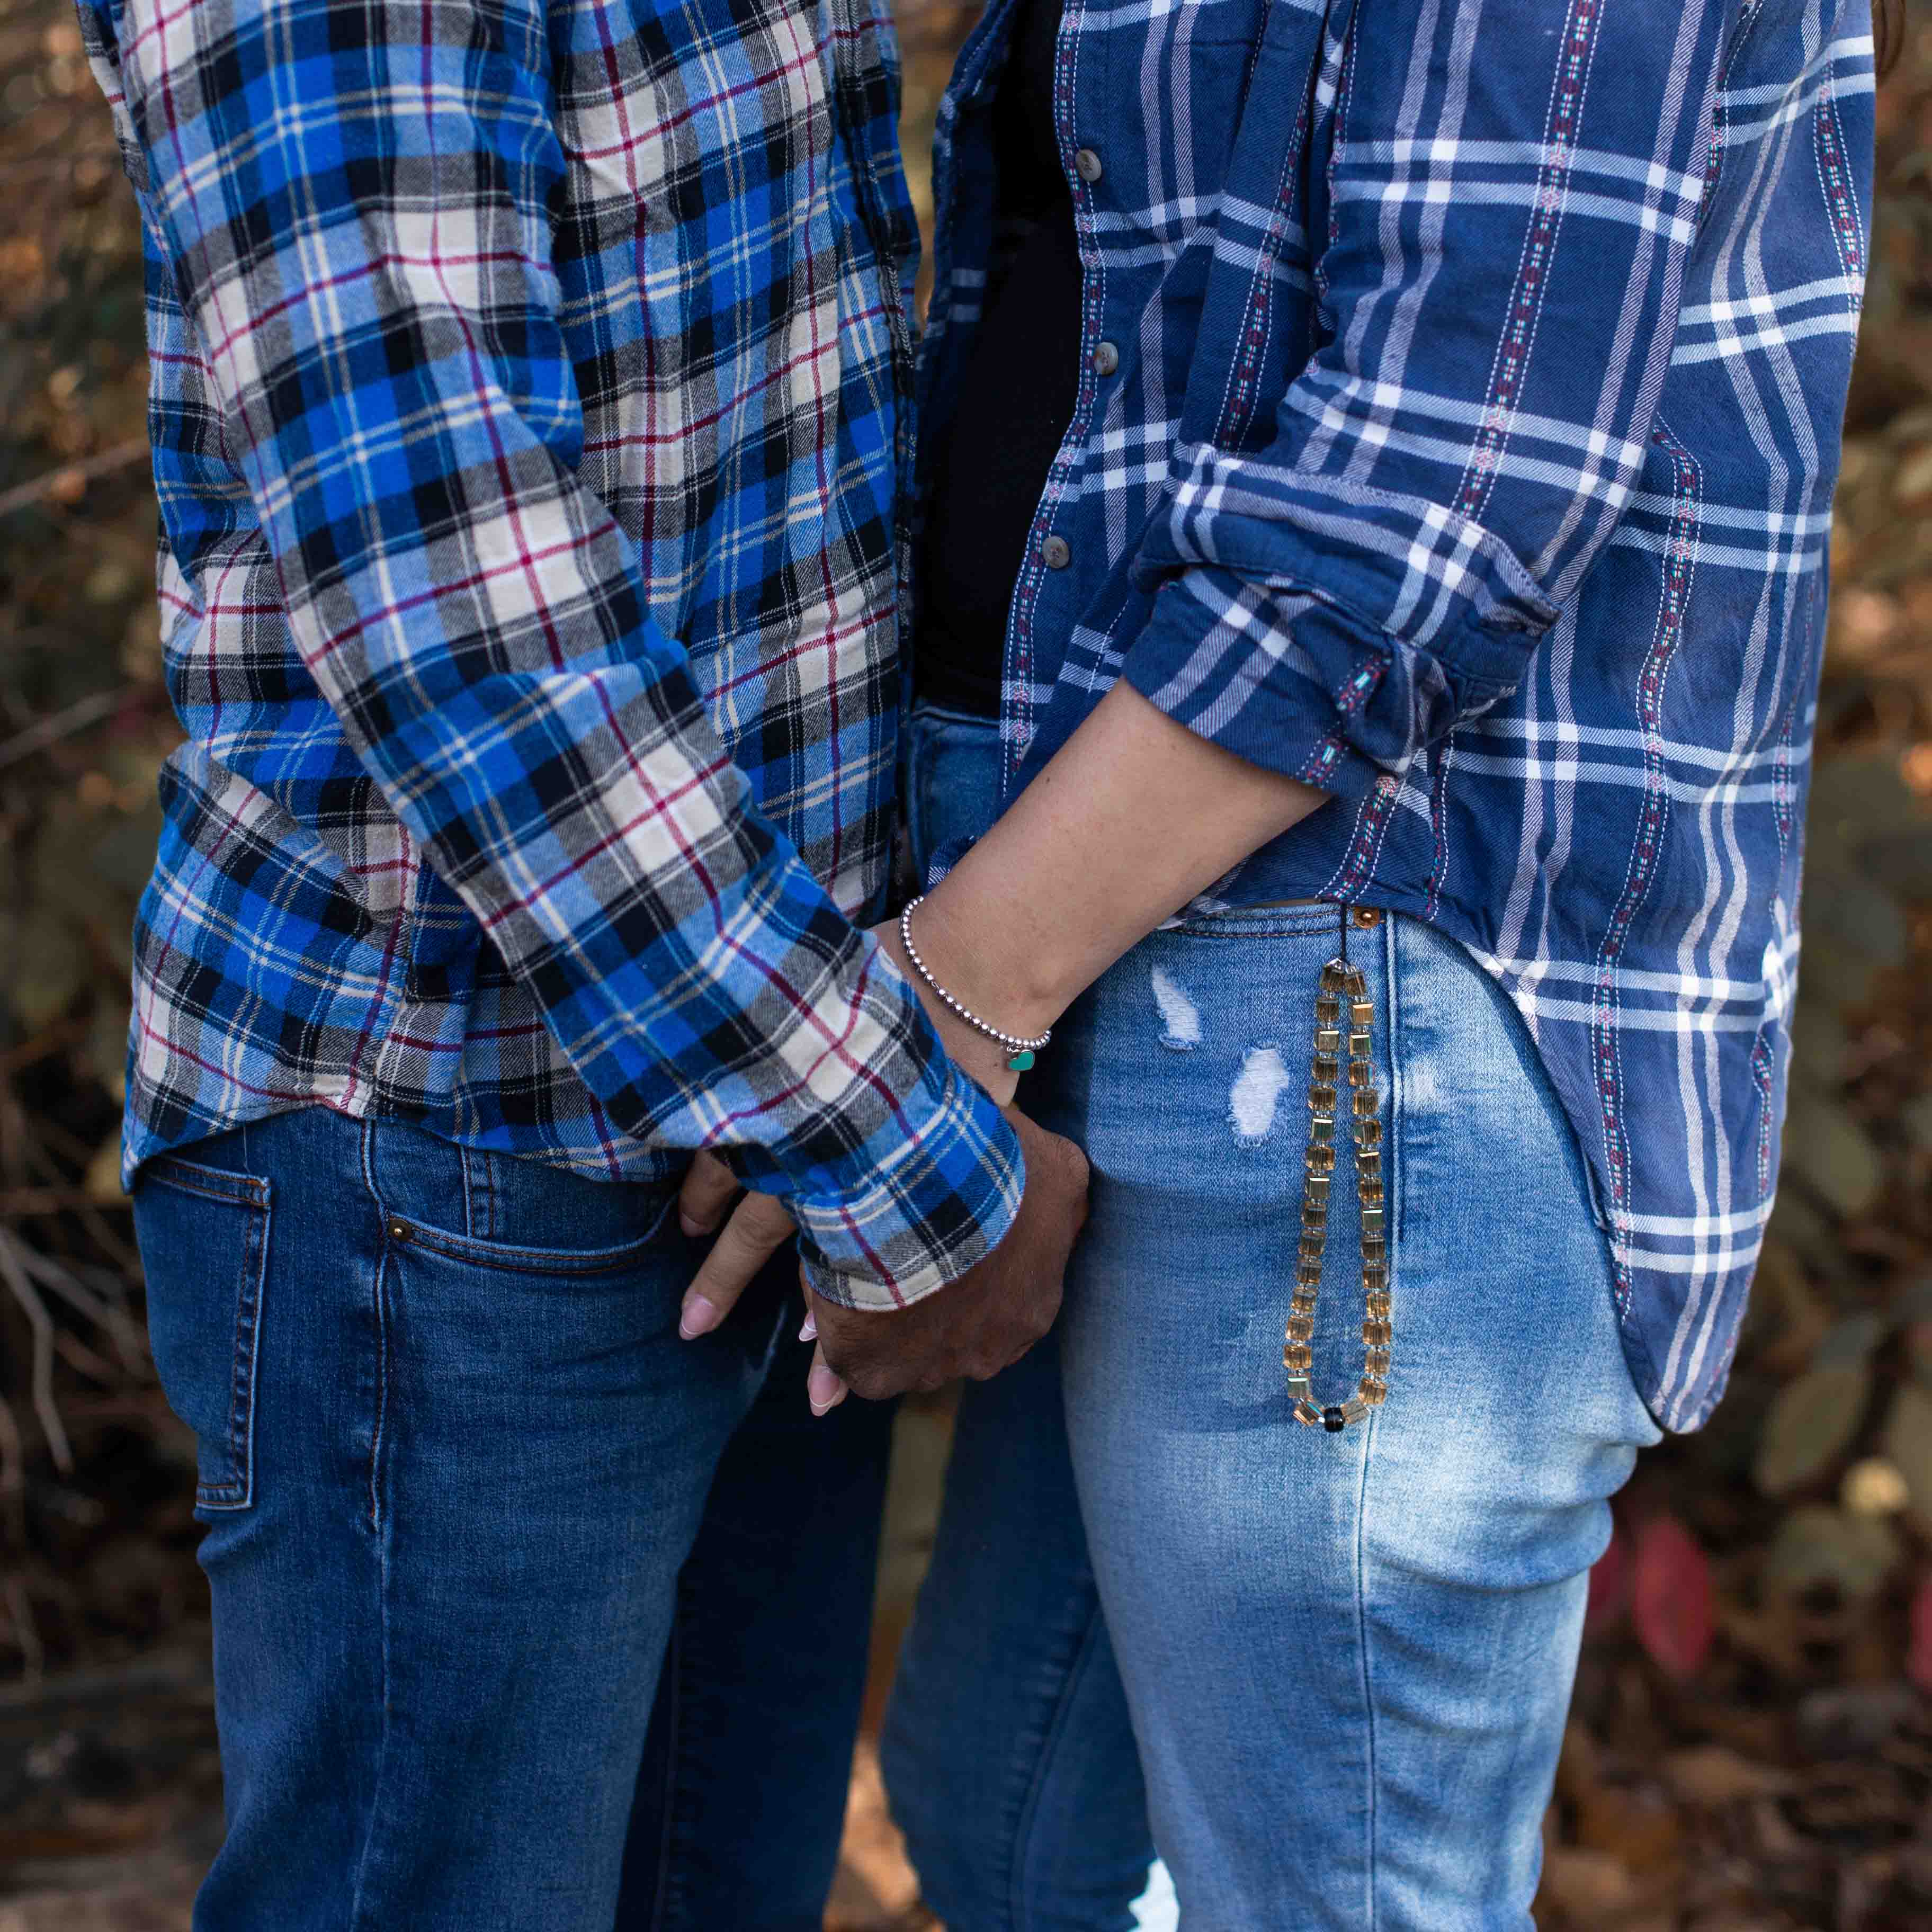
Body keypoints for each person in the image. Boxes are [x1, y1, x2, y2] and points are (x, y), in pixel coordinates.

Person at [701, 0, 1888, 1921]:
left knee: (1326, 1888)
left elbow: (1450, 475)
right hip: (1096, 901)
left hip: (1352, 954)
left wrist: (956, 986)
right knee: (1013, 1811)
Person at [73, 0, 1088, 1922]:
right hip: (457, 1160)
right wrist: (904, 1150)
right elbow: (453, 600)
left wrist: (856, 1095)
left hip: (764, 1129)